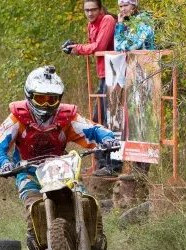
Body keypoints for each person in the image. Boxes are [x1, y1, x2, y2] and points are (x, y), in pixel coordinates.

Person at [0, 65, 120, 250]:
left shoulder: (67, 116)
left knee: (89, 203)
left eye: (52, 99)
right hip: (28, 171)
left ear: (59, 99)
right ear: (29, 96)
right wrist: (4, 163)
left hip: (62, 169)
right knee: (34, 208)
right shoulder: (18, 117)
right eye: (41, 98)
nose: (46, 105)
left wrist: (106, 138)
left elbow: (91, 129)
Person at [66, 0, 122, 177]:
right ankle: (99, 163)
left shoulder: (107, 20)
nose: (89, 14)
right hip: (103, 75)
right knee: (97, 119)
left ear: (100, 9)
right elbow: (93, 47)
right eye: (86, 10)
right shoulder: (91, 24)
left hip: (115, 74)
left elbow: (99, 46)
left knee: (111, 120)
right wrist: (76, 47)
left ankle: (113, 165)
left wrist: (79, 48)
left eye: (93, 10)